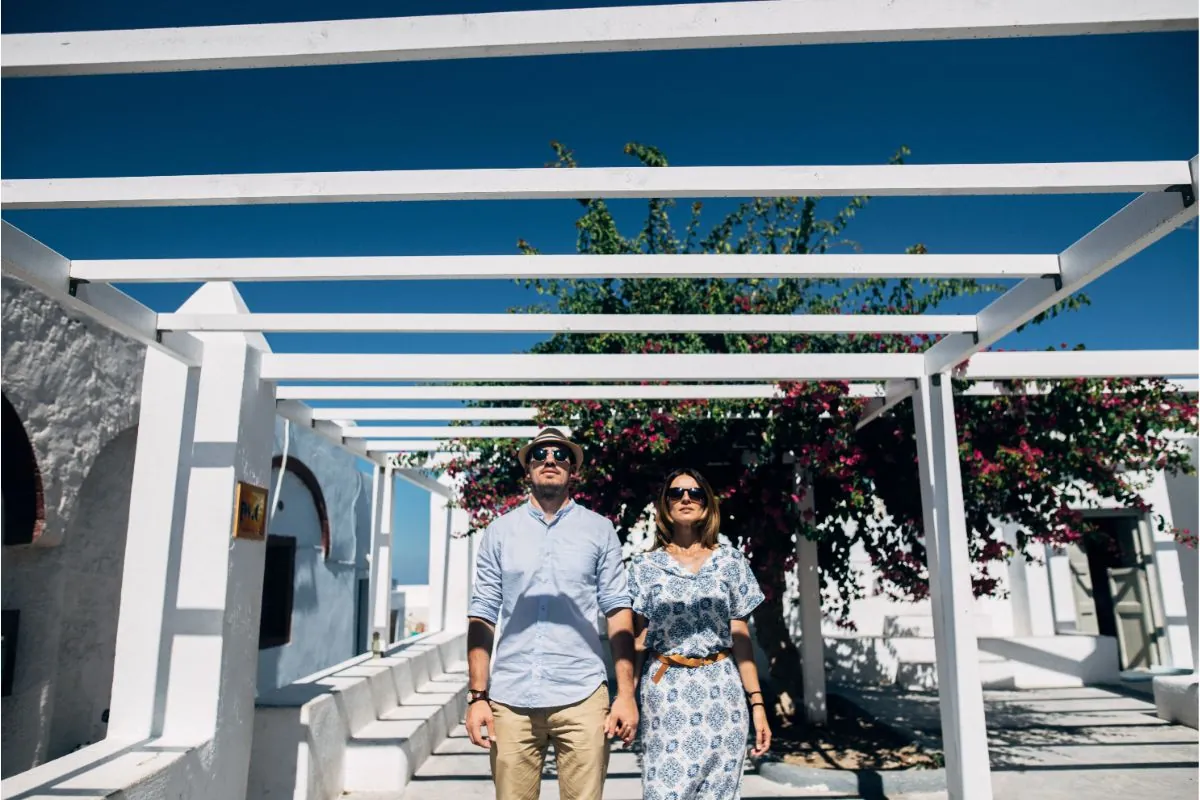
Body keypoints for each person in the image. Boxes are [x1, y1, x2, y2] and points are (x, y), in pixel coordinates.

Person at [465, 427, 639, 800]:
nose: (550, 460)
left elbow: (618, 609)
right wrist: (477, 697)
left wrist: (626, 694)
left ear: (572, 470)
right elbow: (483, 612)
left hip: (582, 694)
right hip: (511, 699)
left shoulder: (599, 529)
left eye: (560, 455)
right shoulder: (499, 532)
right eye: (540, 454)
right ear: (528, 468)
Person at [628, 468, 771, 800]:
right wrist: (627, 699)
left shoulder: (732, 562)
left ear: (708, 504)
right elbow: (637, 642)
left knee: (719, 792)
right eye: (676, 493)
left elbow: (741, 637)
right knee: (665, 790)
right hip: (666, 690)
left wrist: (757, 703)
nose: (686, 499)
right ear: (665, 505)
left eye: (695, 493)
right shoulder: (644, 568)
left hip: (722, 689)